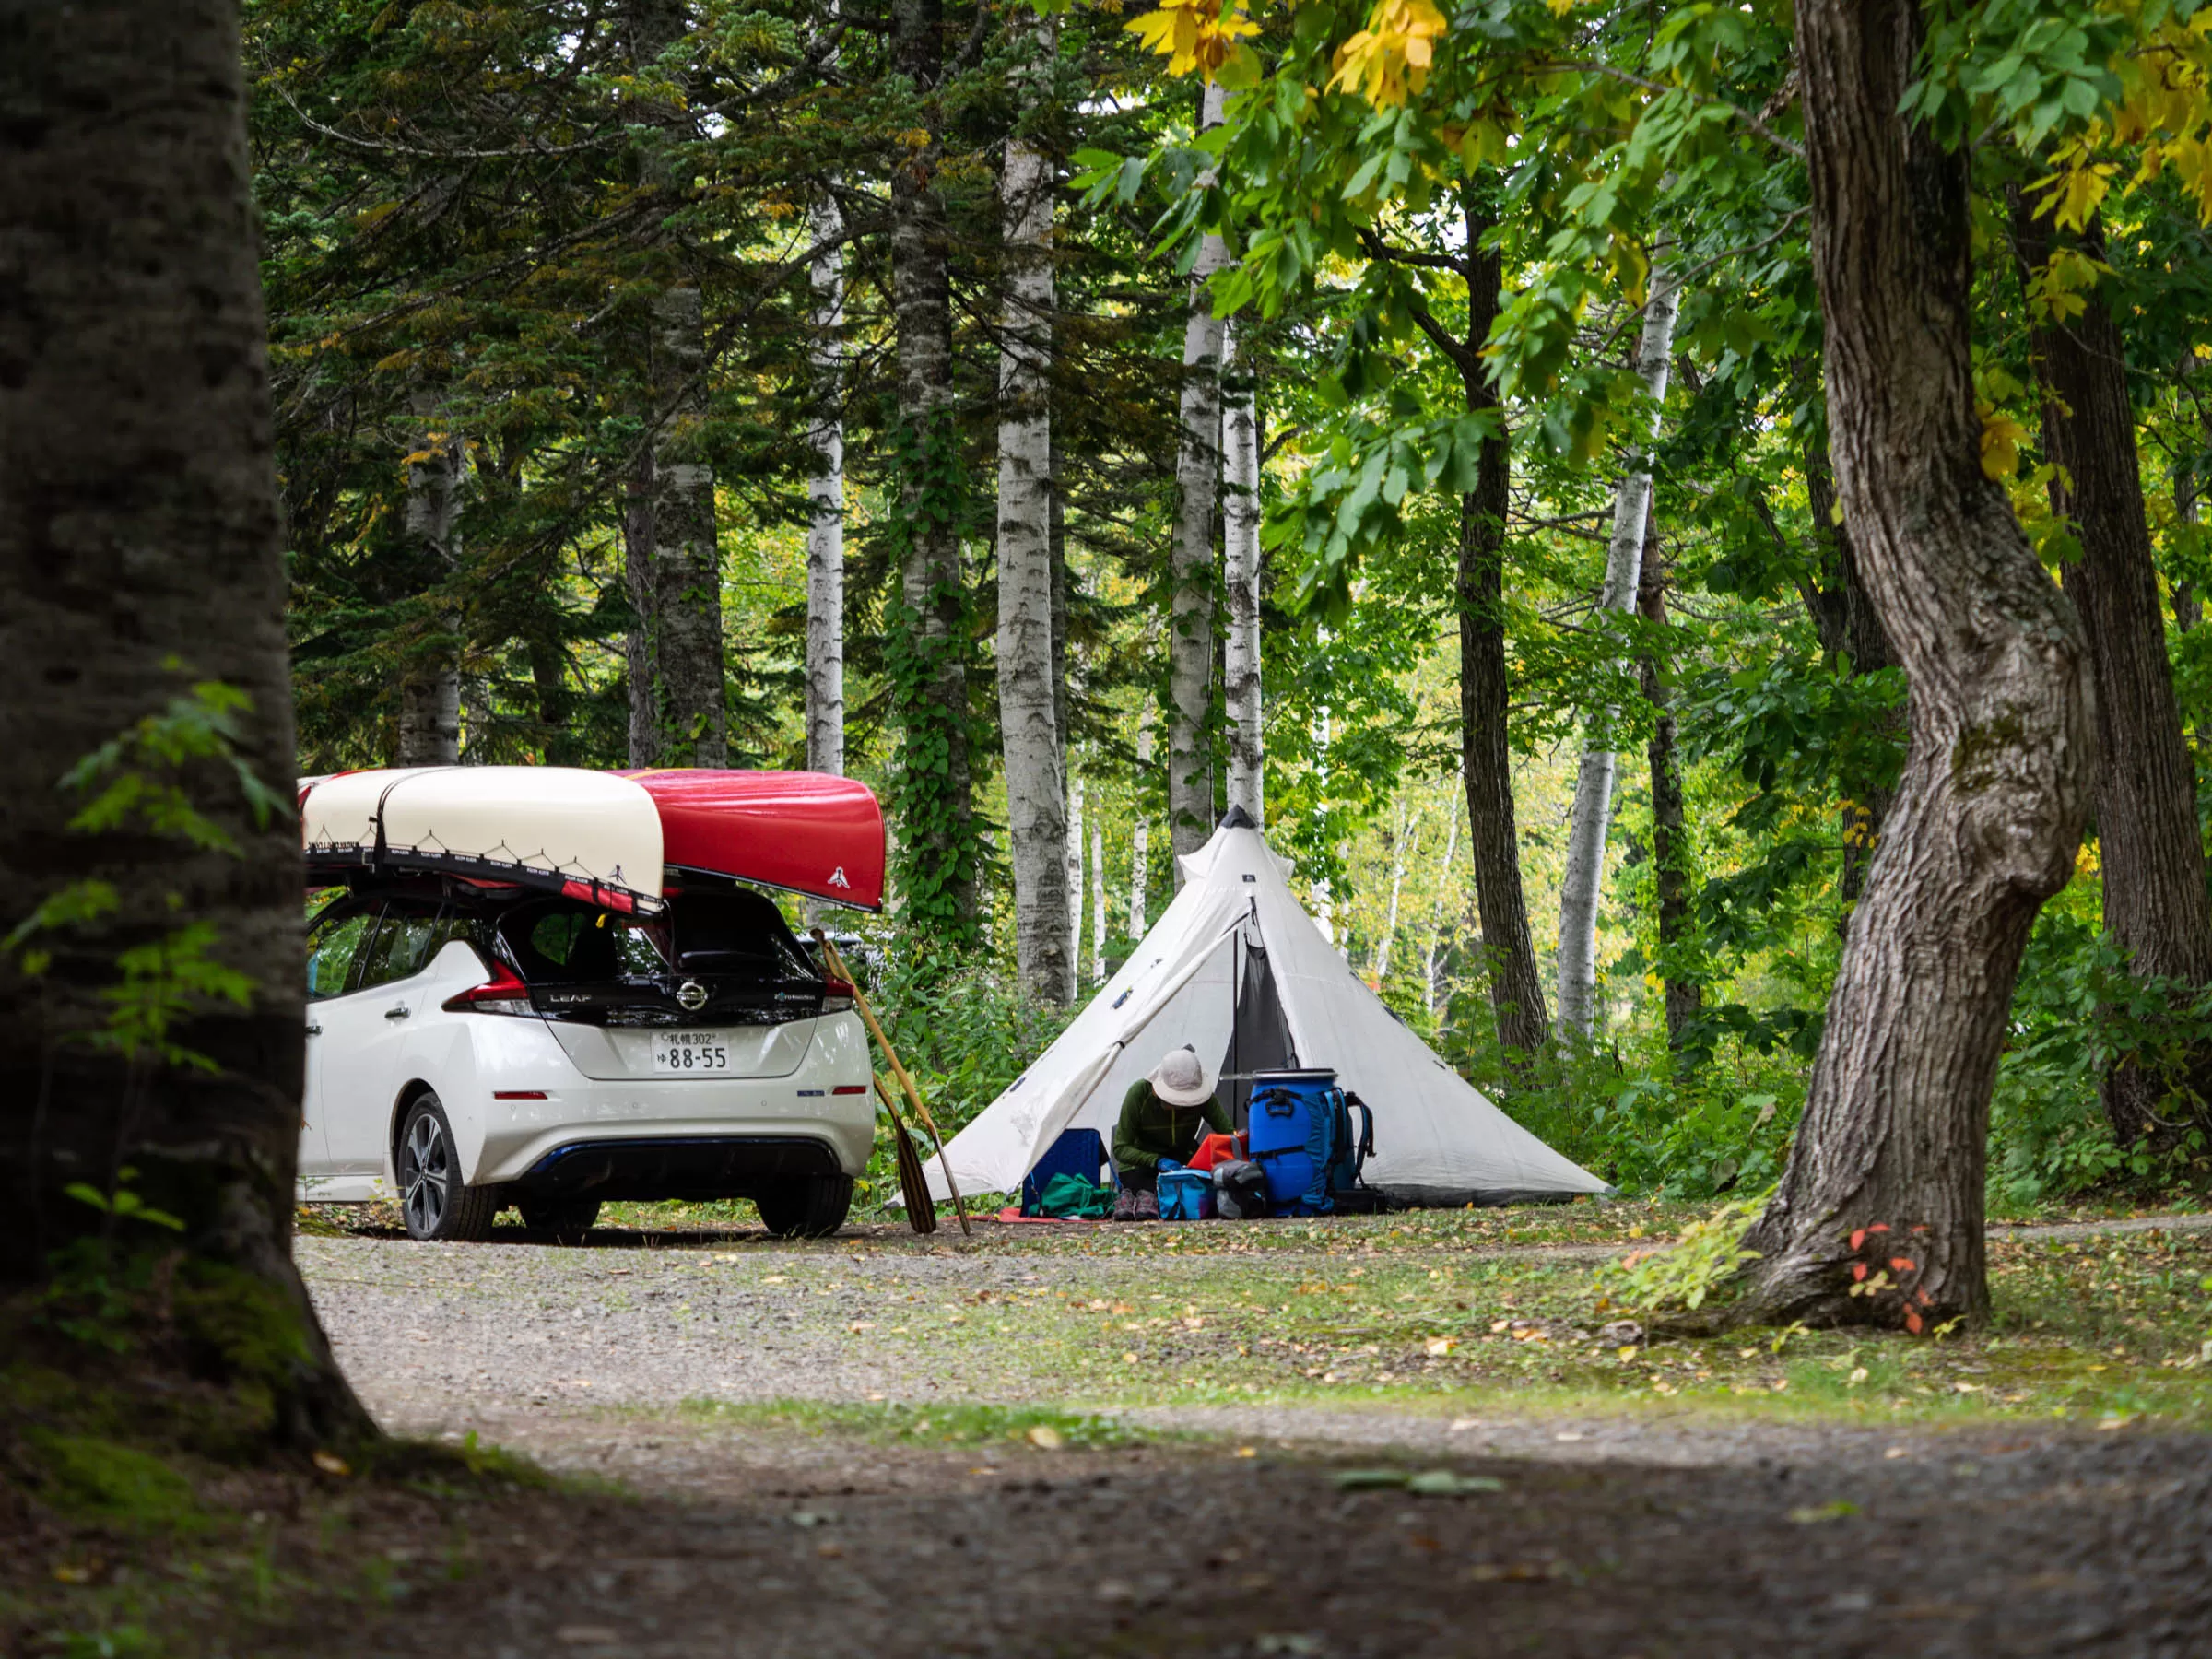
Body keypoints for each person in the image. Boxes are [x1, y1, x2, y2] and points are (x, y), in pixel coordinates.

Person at [1111, 1045, 1230, 1220]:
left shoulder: (1205, 1099)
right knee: (1155, 1194)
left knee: (1195, 1192)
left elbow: (1228, 1133)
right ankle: (1131, 1199)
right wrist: (1156, 1160)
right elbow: (1121, 1148)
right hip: (1140, 1167)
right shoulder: (1139, 1094)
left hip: (1184, 1165)